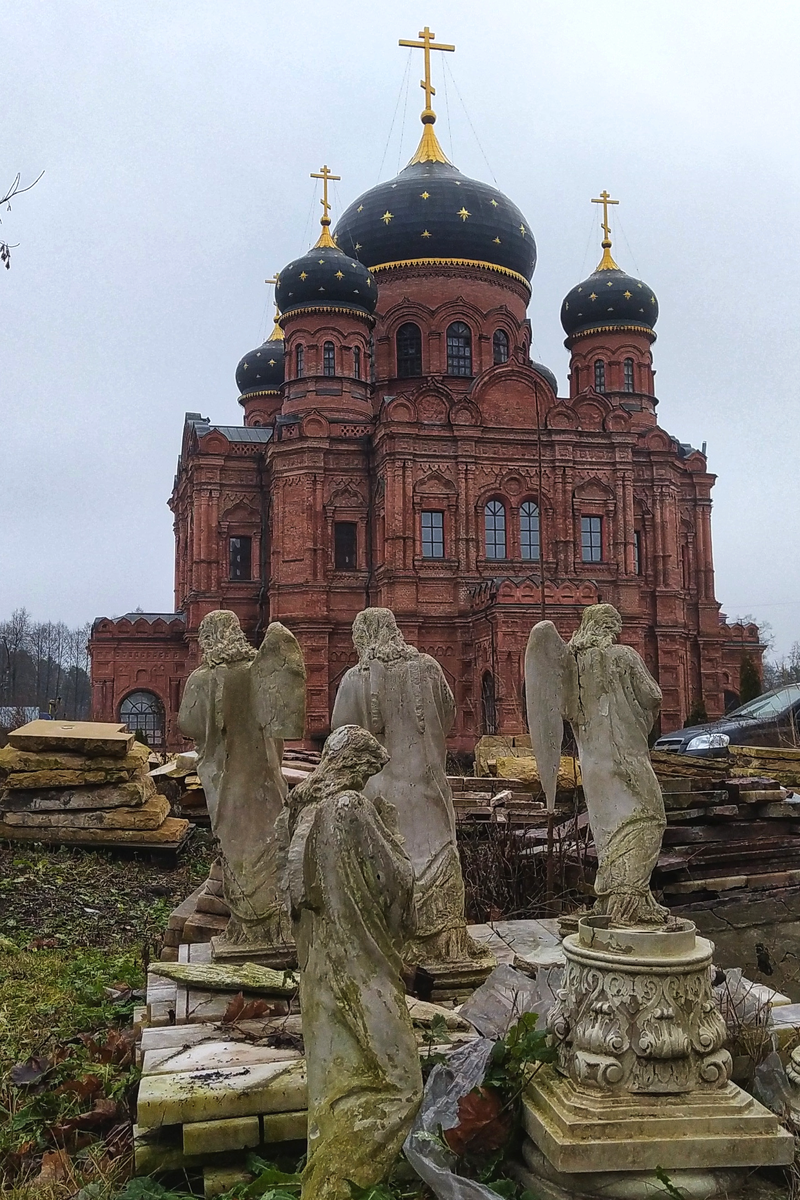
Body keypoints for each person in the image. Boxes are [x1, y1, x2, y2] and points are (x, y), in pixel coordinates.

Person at [286, 724, 422, 1200]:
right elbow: (395, 882)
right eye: (368, 772)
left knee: (334, 1081)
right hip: (361, 965)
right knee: (401, 1083)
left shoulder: (302, 811)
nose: (368, 782)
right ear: (357, 767)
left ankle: (324, 1180)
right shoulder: (351, 808)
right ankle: (343, 1183)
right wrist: (393, 834)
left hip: (320, 968)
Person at [331, 607, 488, 967]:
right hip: (429, 788)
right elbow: (447, 715)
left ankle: (391, 945)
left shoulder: (356, 678)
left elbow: (342, 735)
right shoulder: (429, 668)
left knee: (388, 864)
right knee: (437, 853)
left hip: (380, 793)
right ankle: (443, 943)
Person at [526, 603, 667, 927]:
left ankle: (614, 901)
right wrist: (638, 717)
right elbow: (653, 695)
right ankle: (627, 905)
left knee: (607, 832)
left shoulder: (570, 664)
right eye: (615, 628)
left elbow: (563, 710)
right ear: (609, 628)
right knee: (650, 819)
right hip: (626, 757)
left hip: (593, 764)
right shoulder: (624, 656)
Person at [178, 610, 305, 957]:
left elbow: (187, 723)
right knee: (272, 846)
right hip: (267, 781)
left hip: (228, 783)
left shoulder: (204, 678)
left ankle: (251, 931)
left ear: (209, 639)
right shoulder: (259, 671)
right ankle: (278, 928)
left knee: (239, 852)